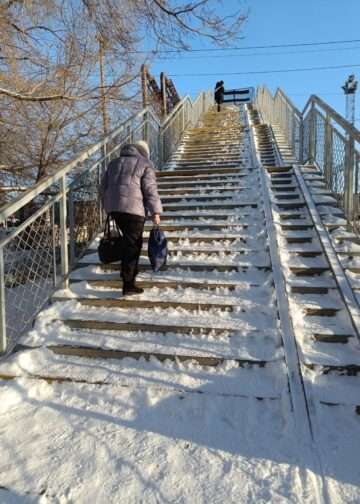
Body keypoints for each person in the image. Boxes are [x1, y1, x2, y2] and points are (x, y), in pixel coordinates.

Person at [100, 140, 162, 296]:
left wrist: (108, 205)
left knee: (129, 241)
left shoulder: (113, 163)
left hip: (114, 209)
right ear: (144, 152)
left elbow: (102, 188)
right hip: (134, 209)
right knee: (133, 245)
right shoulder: (144, 164)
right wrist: (155, 211)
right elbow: (150, 190)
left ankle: (127, 271)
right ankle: (128, 283)